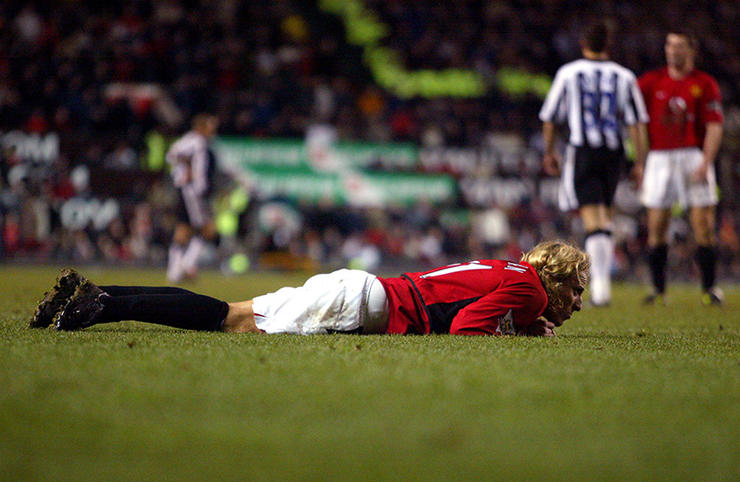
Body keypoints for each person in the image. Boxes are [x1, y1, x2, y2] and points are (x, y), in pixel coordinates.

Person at [29, 240, 588, 337]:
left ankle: (94, 292)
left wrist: (512, 322)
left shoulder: (509, 271)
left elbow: (461, 304)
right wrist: (518, 332)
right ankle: (101, 307)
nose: (576, 303)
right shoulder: (533, 291)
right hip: (365, 303)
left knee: (230, 310)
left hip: (359, 289)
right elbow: (465, 325)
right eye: (576, 291)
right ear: (555, 281)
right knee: (229, 319)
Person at [539, 21, 649, 307]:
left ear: (583, 45)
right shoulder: (624, 76)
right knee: (605, 216)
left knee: (592, 218)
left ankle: (599, 286)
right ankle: (602, 282)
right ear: (608, 45)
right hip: (614, 153)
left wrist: (549, 151)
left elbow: (549, 116)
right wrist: (640, 162)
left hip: (583, 150)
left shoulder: (569, 72)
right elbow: (637, 123)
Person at [635, 29, 724, 305]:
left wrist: (706, 162)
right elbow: (637, 124)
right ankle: (658, 290)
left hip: (693, 156)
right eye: (669, 44)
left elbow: (714, 125)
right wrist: (640, 162)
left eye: (679, 45)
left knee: (703, 226)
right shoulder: (650, 82)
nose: (672, 50)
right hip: (659, 158)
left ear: (691, 50)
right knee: (657, 226)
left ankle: (709, 289)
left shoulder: (705, 83)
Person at [165, 113, 220, 282]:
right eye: (210, 126)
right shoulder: (194, 141)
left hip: (192, 191)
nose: (213, 130)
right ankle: (186, 265)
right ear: (201, 127)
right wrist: (187, 169)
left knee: (185, 229)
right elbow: (173, 155)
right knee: (206, 229)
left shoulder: (200, 142)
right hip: (192, 192)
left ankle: (176, 270)